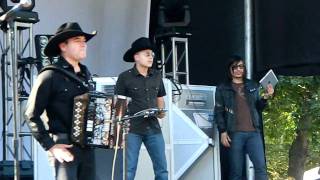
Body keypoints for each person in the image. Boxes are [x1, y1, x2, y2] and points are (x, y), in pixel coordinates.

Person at [25, 22, 97, 180]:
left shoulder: (86, 74)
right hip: (64, 144)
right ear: (63, 46)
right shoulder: (50, 75)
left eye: (84, 41)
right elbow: (31, 114)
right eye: (77, 40)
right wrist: (51, 146)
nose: (83, 44)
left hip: (88, 146)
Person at [115, 37, 168, 180]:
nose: (151, 57)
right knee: (129, 171)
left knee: (162, 170)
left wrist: (161, 111)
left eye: (152, 54)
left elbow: (160, 97)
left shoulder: (157, 75)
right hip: (133, 130)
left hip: (154, 128)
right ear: (136, 57)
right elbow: (118, 105)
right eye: (147, 54)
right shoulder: (124, 77)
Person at [214, 55, 274, 180]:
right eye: (235, 67)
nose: (238, 69)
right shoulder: (222, 88)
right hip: (235, 134)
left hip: (254, 133)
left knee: (261, 168)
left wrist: (266, 96)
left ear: (244, 68)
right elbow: (219, 112)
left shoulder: (252, 85)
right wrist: (223, 132)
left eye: (241, 66)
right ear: (230, 69)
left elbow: (259, 107)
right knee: (236, 172)